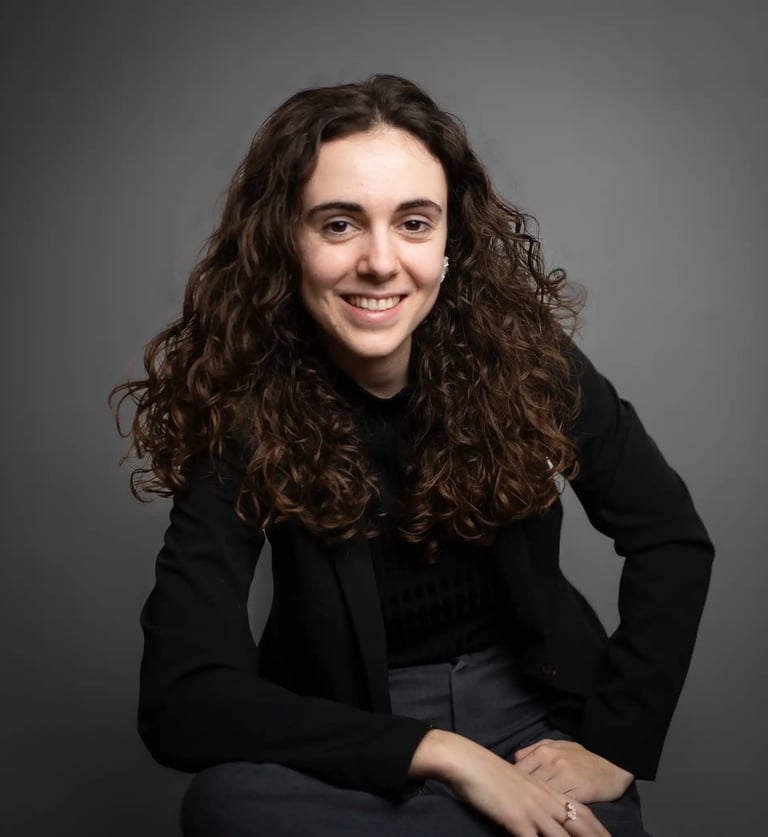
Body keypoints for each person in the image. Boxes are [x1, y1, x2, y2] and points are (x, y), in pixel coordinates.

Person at [111, 75, 713, 836]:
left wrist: (616, 743)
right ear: (284, 242)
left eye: (415, 223)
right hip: (350, 741)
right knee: (226, 809)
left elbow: (672, 539)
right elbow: (180, 698)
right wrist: (441, 752)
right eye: (339, 224)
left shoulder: (532, 365)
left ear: (449, 243)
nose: (380, 261)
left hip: (533, 729)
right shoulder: (245, 415)